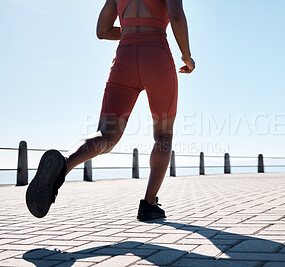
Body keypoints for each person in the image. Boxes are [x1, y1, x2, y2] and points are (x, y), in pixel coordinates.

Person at [25, 0, 195, 220]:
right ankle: (149, 203)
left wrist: (128, 32)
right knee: (163, 134)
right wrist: (186, 56)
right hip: (156, 56)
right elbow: (177, 16)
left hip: (124, 58)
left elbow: (102, 31)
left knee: (105, 134)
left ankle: (64, 164)